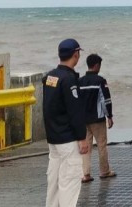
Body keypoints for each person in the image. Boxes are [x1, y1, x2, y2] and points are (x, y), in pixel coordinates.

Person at [43, 38, 89, 207]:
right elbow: (75, 111)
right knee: (69, 183)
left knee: (53, 183)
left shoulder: (50, 77)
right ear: (75, 55)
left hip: (53, 139)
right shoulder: (69, 79)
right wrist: (82, 137)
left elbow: (49, 108)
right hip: (68, 140)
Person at [78, 53, 115, 183]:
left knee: (85, 147)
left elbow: (76, 101)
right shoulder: (100, 81)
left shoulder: (80, 81)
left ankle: (86, 174)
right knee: (101, 145)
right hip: (97, 119)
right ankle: (104, 171)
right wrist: (109, 116)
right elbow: (106, 100)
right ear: (96, 65)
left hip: (83, 120)